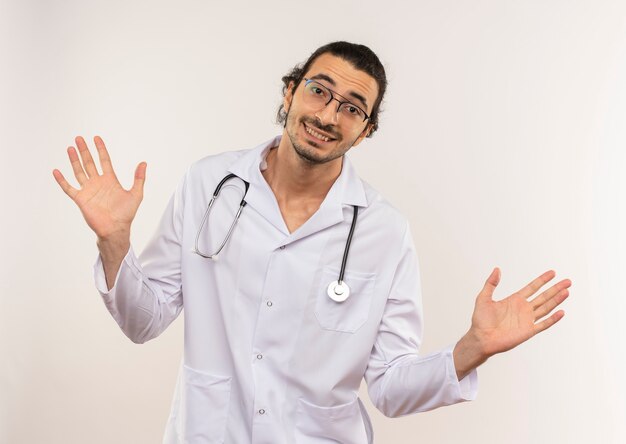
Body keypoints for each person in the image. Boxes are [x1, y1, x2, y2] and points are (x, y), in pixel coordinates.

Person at [52, 41, 571, 444]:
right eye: (319, 91)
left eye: (352, 107)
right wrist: (115, 241)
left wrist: (468, 351)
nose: (328, 116)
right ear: (290, 92)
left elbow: (388, 387)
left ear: (365, 130)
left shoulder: (384, 231)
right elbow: (144, 322)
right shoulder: (207, 185)